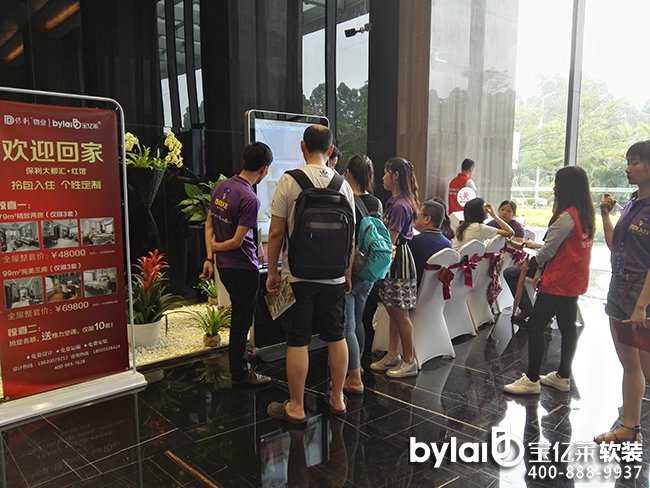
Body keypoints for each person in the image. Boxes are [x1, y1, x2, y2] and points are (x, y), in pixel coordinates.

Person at [265, 125, 355, 423]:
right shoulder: (343, 185)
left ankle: (296, 406)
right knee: (336, 336)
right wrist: (347, 273)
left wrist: (273, 271)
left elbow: (276, 233)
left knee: (298, 340)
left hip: (298, 276)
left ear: (302, 146)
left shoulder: (289, 181)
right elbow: (351, 238)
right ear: (330, 150)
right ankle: (338, 398)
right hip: (334, 277)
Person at [503, 166, 595, 395]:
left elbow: (547, 251)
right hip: (574, 280)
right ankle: (562, 376)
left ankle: (532, 380)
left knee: (535, 326)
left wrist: (532, 264)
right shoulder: (585, 215)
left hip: (558, 281)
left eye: (557, 183)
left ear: (567, 187)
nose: (554, 188)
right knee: (567, 327)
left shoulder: (566, 217)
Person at [201, 142, 274, 387]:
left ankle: (242, 353)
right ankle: (241, 372)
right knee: (242, 320)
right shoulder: (250, 198)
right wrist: (218, 247)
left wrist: (210, 256)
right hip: (243, 267)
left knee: (240, 316)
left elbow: (209, 225)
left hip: (225, 266)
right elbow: (236, 241)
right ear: (264, 169)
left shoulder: (221, 187)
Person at [594, 141, 650, 443]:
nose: (628, 168)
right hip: (619, 286)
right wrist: (606, 215)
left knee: (646, 367)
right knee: (630, 364)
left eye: (636, 162)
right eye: (628, 161)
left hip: (641, 292)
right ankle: (630, 427)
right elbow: (615, 245)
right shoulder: (632, 203)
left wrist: (641, 306)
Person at [370, 157, 420, 378]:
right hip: (394, 259)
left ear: (396, 175)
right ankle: (393, 354)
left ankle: (409, 360)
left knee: (400, 313)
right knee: (393, 310)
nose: (382, 177)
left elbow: (389, 241)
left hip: (397, 261)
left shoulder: (400, 206)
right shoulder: (396, 202)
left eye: (386, 173)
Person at [342, 155, 382, 395]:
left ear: (348, 173)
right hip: (369, 268)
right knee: (358, 320)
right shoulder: (377, 202)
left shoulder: (346, 199)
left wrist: (347, 273)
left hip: (351, 269)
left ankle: (353, 375)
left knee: (347, 325)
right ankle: (359, 365)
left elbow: (349, 242)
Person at [409, 199, 452, 289]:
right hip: (438, 292)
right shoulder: (448, 245)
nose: (415, 218)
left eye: (418, 215)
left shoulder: (415, 241)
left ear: (427, 219)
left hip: (415, 290)